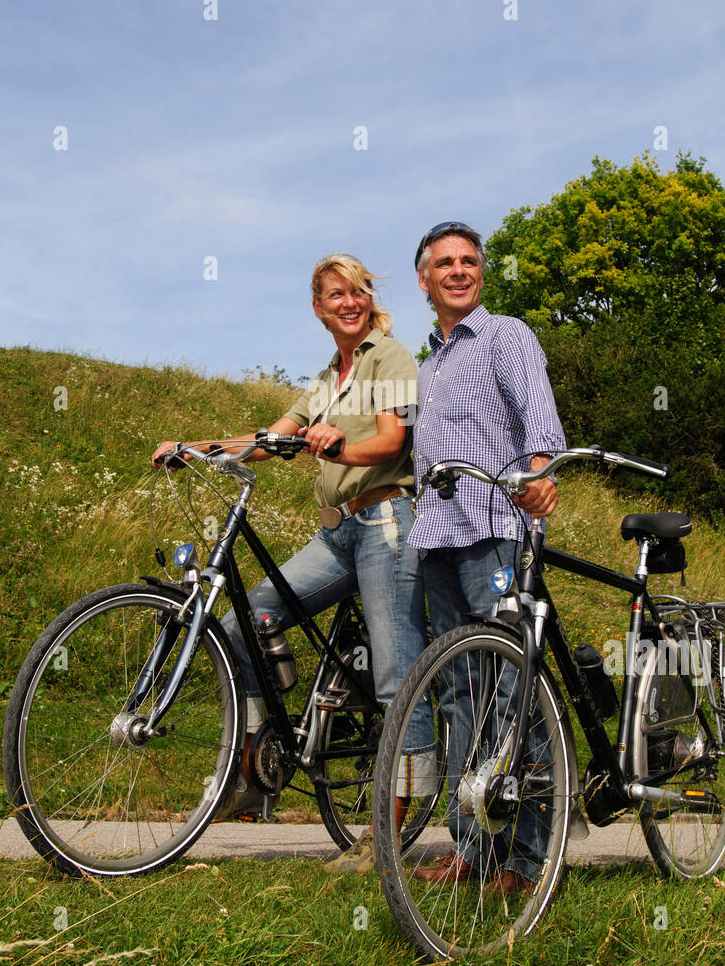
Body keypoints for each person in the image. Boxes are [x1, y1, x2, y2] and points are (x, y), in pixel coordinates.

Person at [152, 253, 433, 872]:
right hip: (338, 534)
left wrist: (343, 443)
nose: (349, 302)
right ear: (318, 308)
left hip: (388, 522)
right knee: (241, 624)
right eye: (335, 294)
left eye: (357, 291)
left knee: (396, 675)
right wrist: (192, 448)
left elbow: (395, 439)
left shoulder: (390, 356)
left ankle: (388, 836)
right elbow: (268, 438)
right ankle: (251, 770)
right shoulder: (325, 379)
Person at [408, 221, 566, 892]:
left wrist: (538, 472)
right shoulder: (429, 367)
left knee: (512, 693)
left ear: (480, 272)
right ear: (424, 280)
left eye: (468, 261)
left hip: (496, 529)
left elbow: (539, 420)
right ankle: (472, 848)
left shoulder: (505, 335)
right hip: (436, 539)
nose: (457, 270)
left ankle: (527, 861)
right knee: (459, 698)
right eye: (443, 263)